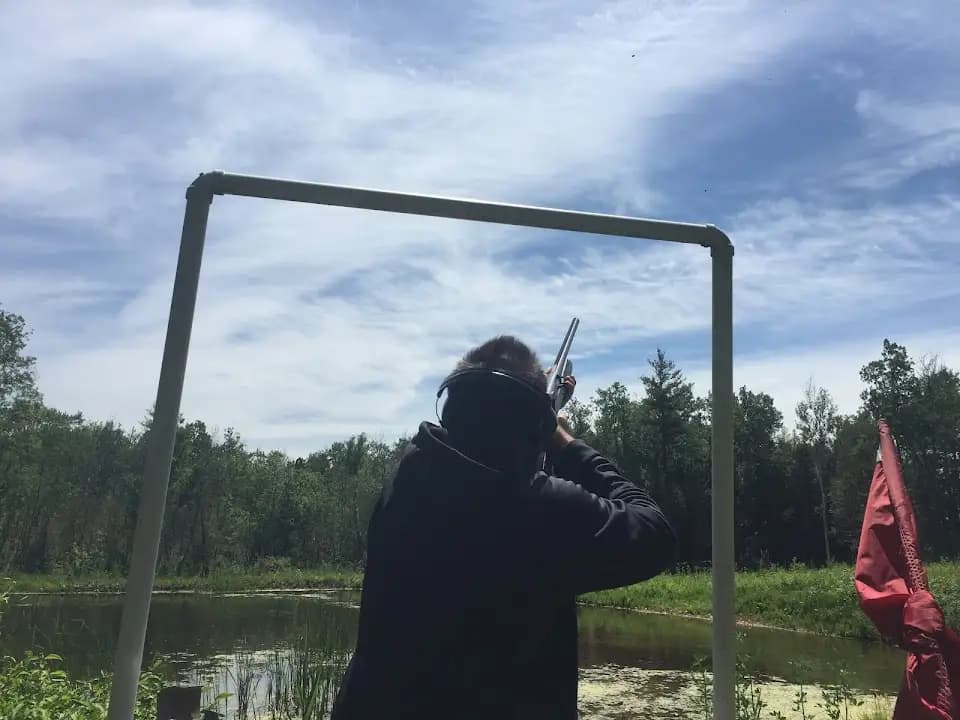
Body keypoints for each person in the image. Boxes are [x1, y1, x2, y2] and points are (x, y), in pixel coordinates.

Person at [331, 335, 676, 720]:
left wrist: (536, 412)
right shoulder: (537, 508)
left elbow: (488, 487)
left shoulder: (408, 480)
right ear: (534, 428)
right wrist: (562, 439)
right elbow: (654, 532)